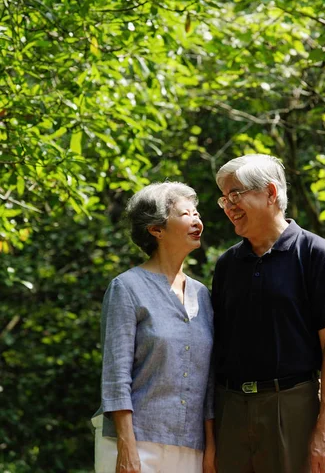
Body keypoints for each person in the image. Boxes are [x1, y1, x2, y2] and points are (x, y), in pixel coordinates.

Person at [212, 154, 325, 473]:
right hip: (230, 409)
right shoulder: (226, 265)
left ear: (270, 192)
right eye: (224, 198)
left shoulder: (316, 253)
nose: (228, 206)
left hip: (292, 405)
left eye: (235, 194)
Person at [92, 181, 216, 473]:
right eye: (186, 214)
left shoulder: (204, 295)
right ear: (156, 229)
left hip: (191, 447)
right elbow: (115, 376)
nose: (197, 220)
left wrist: (211, 447)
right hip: (133, 443)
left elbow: (210, 382)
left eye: (197, 213)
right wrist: (127, 446)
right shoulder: (126, 287)